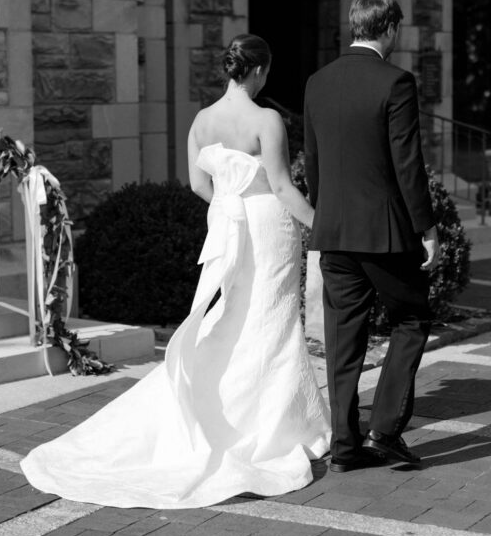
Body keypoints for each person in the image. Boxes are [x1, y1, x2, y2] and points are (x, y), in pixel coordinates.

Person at [21, 34, 331, 508]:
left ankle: (238, 409)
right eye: (267, 72)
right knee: (271, 319)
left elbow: (197, 184)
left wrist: (229, 205)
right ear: (258, 71)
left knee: (237, 315)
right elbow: (284, 188)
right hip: (269, 226)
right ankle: (272, 422)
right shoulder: (267, 119)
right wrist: (325, 228)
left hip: (228, 224)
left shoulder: (201, 122)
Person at [304, 0, 439, 473]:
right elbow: (408, 164)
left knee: (343, 341)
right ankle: (384, 430)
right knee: (412, 319)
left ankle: (345, 447)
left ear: (355, 26)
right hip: (383, 235)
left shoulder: (317, 82)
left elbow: (313, 163)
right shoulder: (396, 82)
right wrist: (427, 227)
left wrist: (326, 213)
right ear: (389, 28)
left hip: (333, 231)